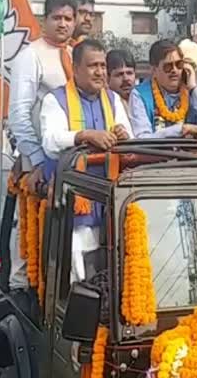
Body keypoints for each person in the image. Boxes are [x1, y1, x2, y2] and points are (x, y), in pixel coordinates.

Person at [40, 39, 132, 282]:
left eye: (103, 65)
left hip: (111, 200)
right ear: (75, 68)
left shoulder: (112, 100)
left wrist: (123, 135)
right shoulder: (55, 100)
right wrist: (84, 135)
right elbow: (51, 141)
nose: (100, 71)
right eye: (93, 66)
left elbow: (131, 140)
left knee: (114, 266)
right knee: (78, 273)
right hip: (75, 202)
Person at [7, 0, 77, 299]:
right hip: (39, 163)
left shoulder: (77, 55)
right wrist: (34, 162)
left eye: (68, 18)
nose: (63, 24)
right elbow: (19, 115)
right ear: (43, 20)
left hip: (73, 161)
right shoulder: (30, 55)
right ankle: (22, 288)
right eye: (57, 18)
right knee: (30, 230)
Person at [129, 39, 197, 146]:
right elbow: (142, 139)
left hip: (190, 159)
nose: (174, 70)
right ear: (154, 70)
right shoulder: (139, 94)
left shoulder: (193, 93)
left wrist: (193, 87)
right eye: (168, 66)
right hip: (154, 161)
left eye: (179, 64)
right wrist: (181, 130)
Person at [106, 49, 136, 117]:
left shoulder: (142, 101)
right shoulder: (103, 103)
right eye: (119, 74)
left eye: (129, 73)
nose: (126, 79)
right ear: (107, 78)